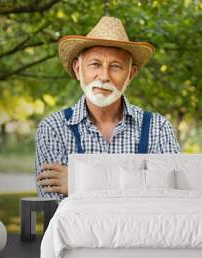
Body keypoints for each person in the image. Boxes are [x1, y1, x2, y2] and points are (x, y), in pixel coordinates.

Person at [35, 16, 181, 201]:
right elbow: (54, 204)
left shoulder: (158, 128)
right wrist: (139, 184)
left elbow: (170, 197)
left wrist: (81, 182)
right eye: (95, 64)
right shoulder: (53, 128)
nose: (104, 76)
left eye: (116, 66)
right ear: (78, 69)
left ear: (130, 75)